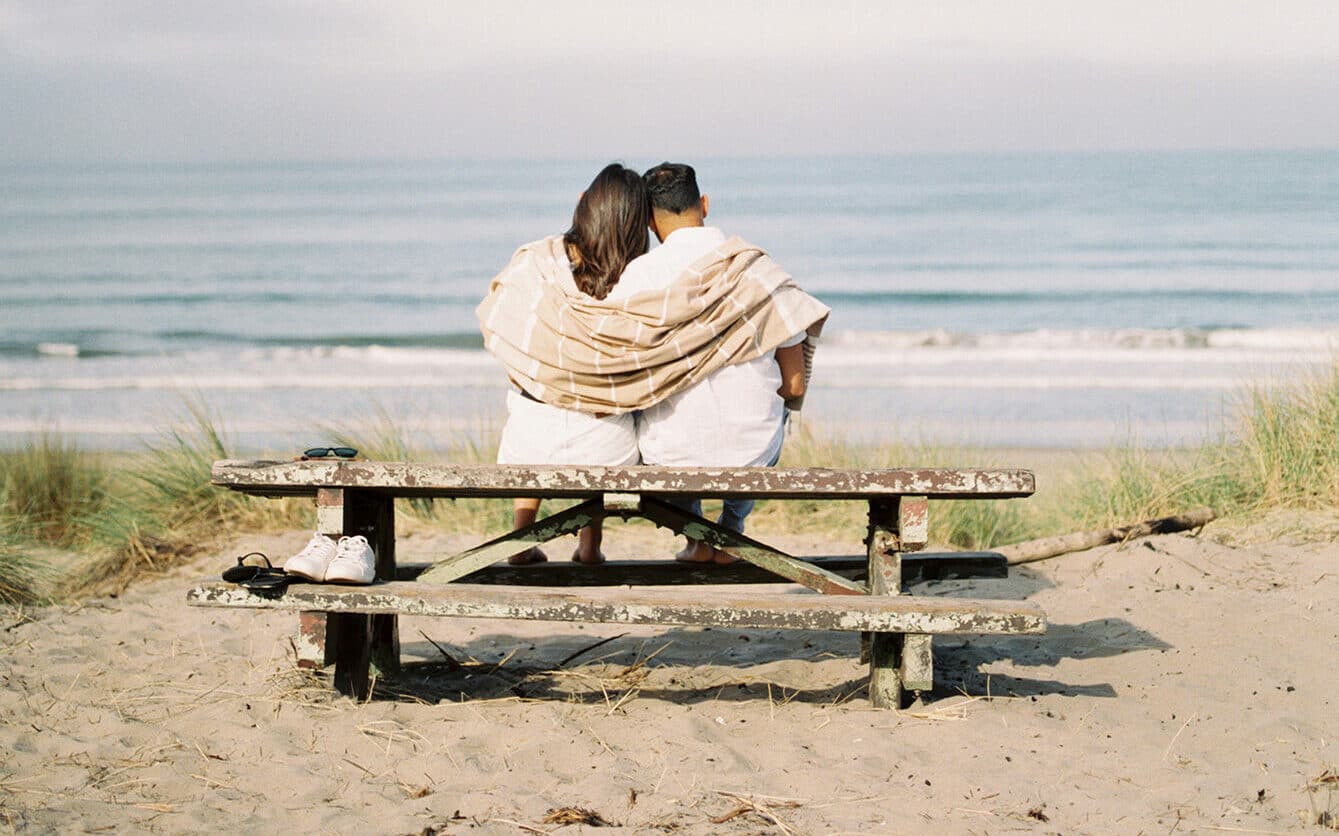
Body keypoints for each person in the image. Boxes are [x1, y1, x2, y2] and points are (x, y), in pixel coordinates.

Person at [605, 162, 813, 563]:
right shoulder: (758, 270)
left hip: (671, 457)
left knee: (656, 419)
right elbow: (796, 385)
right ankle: (731, 530)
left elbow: (624, 370)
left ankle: (697, 536)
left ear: (650, 222)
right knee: (773, 409)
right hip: (751, 453)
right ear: (704, 203)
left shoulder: (637, 277)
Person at [486, 163, 651, 564]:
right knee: (602, 416)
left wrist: (545, 382)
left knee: (529, 406)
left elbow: (506, 340)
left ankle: (521, 539)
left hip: (531, 440)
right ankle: (590, 545)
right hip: (607, 448)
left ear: (582, 205)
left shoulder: (536, 264)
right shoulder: (640, 278)